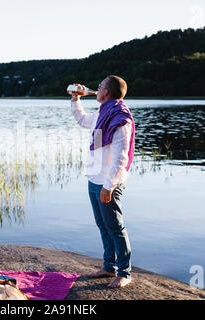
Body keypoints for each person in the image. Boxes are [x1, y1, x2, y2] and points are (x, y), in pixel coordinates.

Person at [70, 75, 135, 288]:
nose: (96, 89)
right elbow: (81, 120)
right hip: (94, 179)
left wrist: (109, 186)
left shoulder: (119, 118)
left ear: (106, 92)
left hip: (109, 183)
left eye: (99, 87)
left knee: (115, 227)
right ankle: (109, 267)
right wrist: (75, 99)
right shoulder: (102, 113)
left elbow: (121, 158)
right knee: (102, 225)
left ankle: (124, 273)